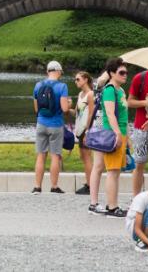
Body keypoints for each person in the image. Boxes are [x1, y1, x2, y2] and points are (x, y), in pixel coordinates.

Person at [88, 58, 129, 217]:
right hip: (112, 134)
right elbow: (110, 114)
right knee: (112, 170)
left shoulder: (120, 90)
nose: (125, 75)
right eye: (121, 72)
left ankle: (104, 204)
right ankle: (112, 206)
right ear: (112, 73)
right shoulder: (110, 90)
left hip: (117, 132)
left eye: (126, 72)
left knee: (108, 169)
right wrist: (118, 133)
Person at [32, 60, 71, 194]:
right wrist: (70, 103)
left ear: (47, 71)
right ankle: (54, 186)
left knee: (40, 156)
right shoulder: (62, 87)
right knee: (55, 156)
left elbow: (36, 108)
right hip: (56, 125)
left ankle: (37, 187)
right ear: (58, 71)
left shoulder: (38, 85)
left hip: (41, 124)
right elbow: (65, 108)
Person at [126, 65, 148, 198]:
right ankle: (136, 197)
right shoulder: (140, 78)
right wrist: (145, 102)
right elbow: (130, 102)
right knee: (139, 163)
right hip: (141, 127)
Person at [71, 71, 96, 195]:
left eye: (78, 79)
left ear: (86, 79)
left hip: (86, 130)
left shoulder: (90, 95)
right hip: (79, 130)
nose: (76, 81)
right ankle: (89, 183)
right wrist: (66, 107)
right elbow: (76, 112)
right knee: (83, 157)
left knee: (87, 158)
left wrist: (87, 131)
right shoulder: (80, 94)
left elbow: (92, 113)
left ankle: (91, 186)